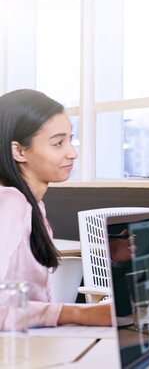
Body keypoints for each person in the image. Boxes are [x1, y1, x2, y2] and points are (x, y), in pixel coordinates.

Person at [0, 89, 111, 328]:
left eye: (71, 139)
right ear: (18, 151)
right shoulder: (10, 203)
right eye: (58, 143)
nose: (73, 153)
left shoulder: (33, 205)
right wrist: (77, 314)